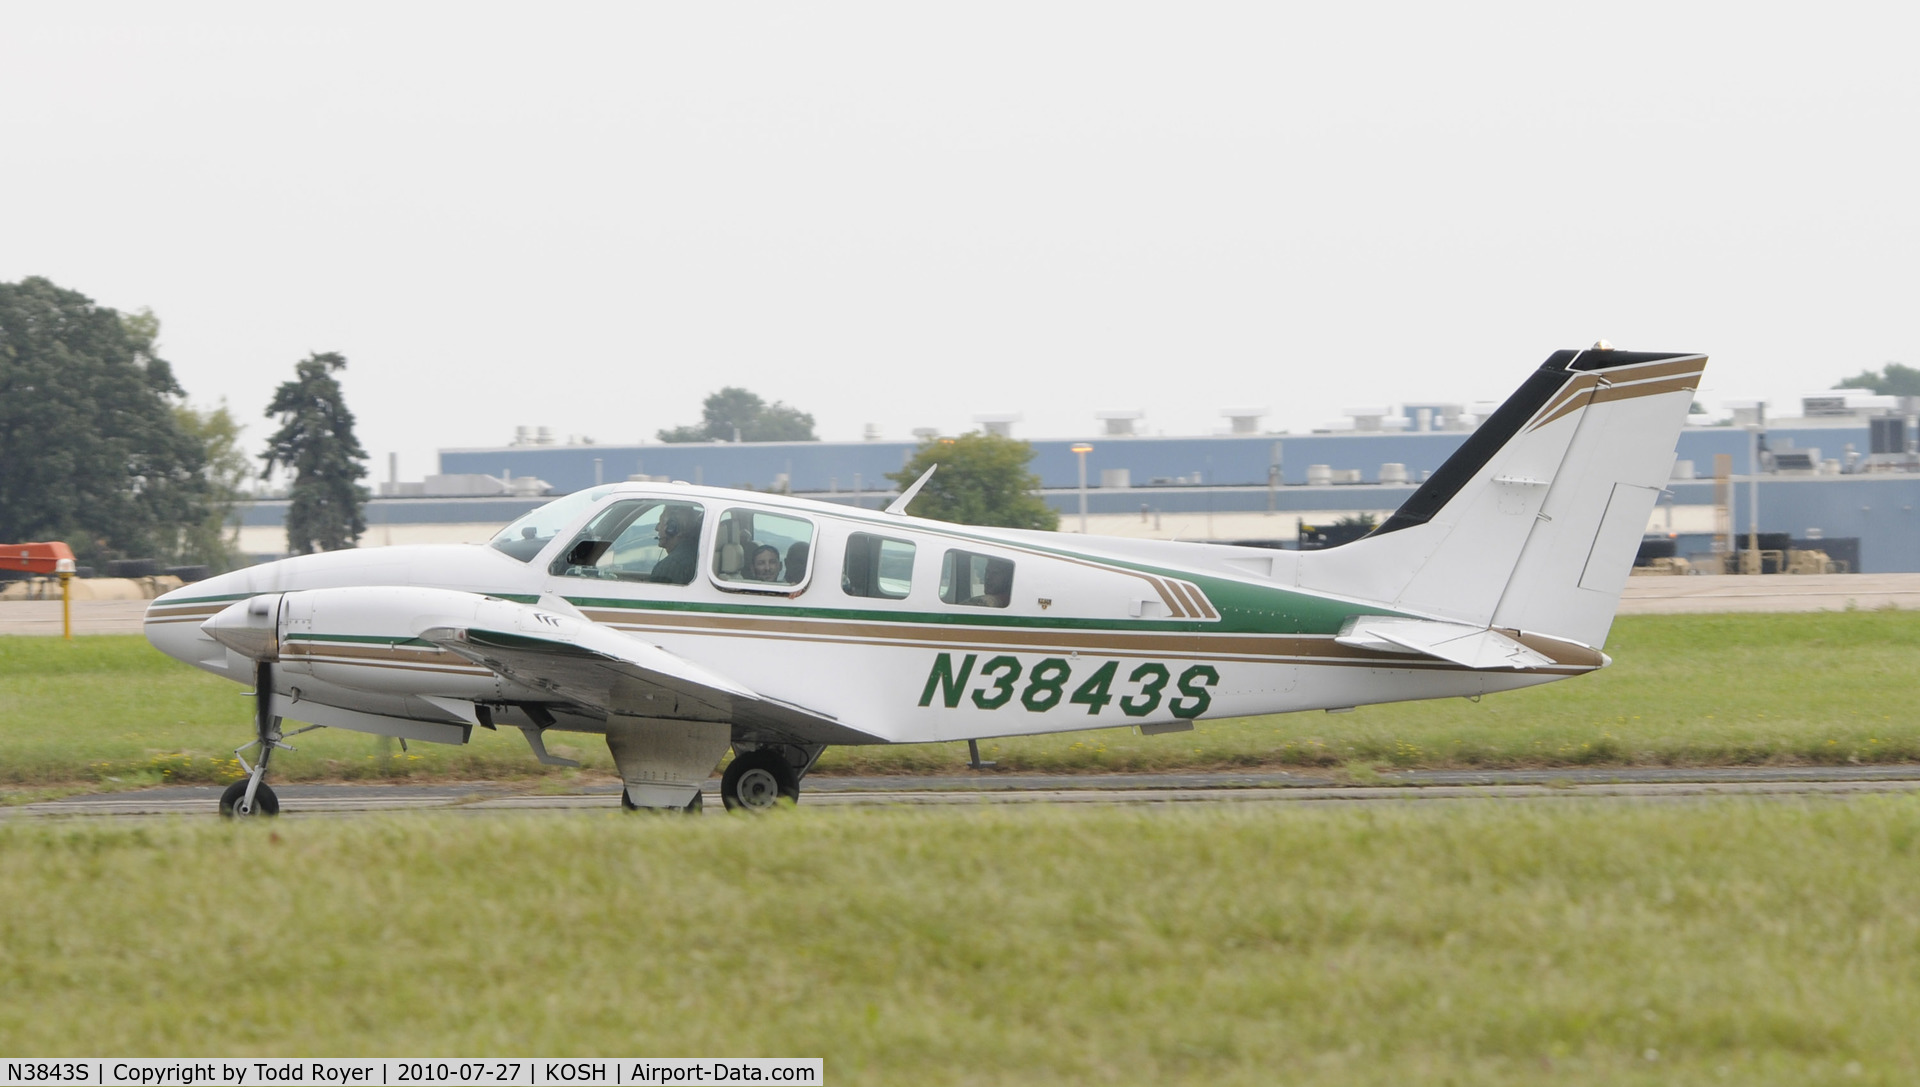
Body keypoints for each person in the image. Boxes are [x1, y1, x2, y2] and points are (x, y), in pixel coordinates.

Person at [648, 505, 702, 585]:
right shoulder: (696, 554)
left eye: (660, 523)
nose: (657, 528)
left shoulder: (670, 566)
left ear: (672, 528)